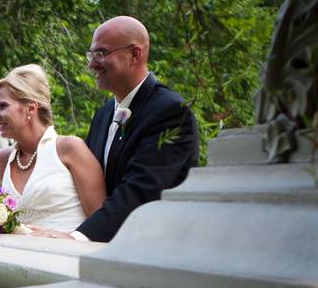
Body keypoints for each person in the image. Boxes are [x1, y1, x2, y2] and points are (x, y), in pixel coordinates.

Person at [32, 16, 198, 242]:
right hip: (109, 247)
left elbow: (142, 190)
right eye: (91, 55)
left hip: (154, 245)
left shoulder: (170, 112)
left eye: (101, 53)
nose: (92, 64)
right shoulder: (103, 115)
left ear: (135, 55)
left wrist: (78, 237)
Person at [0, 65, 106, 232]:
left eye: (2, 106)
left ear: (31, 108)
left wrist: (69, 237)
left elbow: (100, 220)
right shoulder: (2, 160)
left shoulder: (69, 148)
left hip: (66, 253)